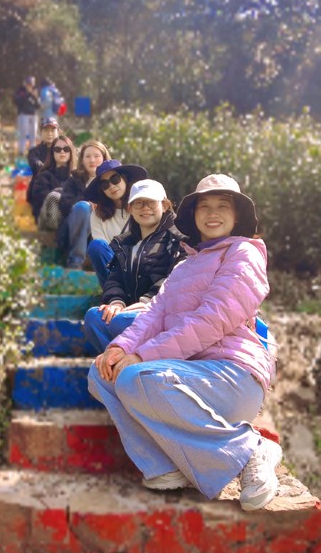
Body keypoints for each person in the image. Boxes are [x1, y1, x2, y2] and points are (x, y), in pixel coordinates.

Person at [87, 173, 281, 512]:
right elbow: (153, 315)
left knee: (136, 375)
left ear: (237, 215)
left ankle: (249, 449)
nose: (213, 213)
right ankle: (165, 465)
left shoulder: (243, 254)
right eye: (205, 206)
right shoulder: (186, 265)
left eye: (223, 206)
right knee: (101, 372)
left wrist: (142, 356)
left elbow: (212, 320)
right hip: (186, 378)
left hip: (231, 375)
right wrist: (121, 347)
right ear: (193, 215)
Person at [83, 179, 187, 353]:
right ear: (130, 208)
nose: (145, 208)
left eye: (151, 202)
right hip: (131, 313)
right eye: (138, 203)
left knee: (123, 322)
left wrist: (147, 301)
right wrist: (116, 301)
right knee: (94, 317)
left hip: (161, 312)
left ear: (164, 205)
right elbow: (115, 277)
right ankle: (118, 361)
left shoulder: (178, 240)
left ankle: (129, 358)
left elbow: (179, 276)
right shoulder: (124, 243)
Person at [83, 160, 147, 286]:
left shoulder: (142, 206)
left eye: (115, 179)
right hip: (115, 271)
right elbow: (102, 252)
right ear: (101, 190)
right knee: (96, 245)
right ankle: (115, 292)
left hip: (143, 267)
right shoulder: (97, 215)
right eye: (105, 184)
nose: (111, 186)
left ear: (125, 179)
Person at [57, 140, 111, 269]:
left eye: (96, 156)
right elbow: (64, 204)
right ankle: (75, 262)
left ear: (104, 158)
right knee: (83, 207)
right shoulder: (74, 179)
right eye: (87, 156)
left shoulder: (113, 181)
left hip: (103, 229)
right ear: (82, 160)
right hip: (77, 227)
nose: (92, 160)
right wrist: (86, 201)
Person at [28, 133, 76, 228]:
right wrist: (61, 194)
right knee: (54, 197)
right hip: (49, 220)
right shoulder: (43, 176)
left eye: (66, 149)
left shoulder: (77, 176)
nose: (62, 152)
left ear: (70, 152)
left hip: (71, 219)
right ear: (52, 153)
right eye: (57, 149)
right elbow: (39, 201)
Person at [13, 76, 41, 155]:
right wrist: (27, 94)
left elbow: (38, 105)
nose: (30, 86)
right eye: (28, 84)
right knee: (23, 133)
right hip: (23, 114)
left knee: (33, 133)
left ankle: (32, 150)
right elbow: (17, 101)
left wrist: (34, 96)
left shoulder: (34, 92)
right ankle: (21, 150)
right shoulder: (20, 91)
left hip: (33, 115)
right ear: (25, 84)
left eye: (31, 84)